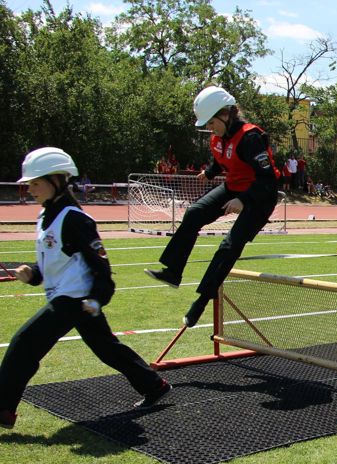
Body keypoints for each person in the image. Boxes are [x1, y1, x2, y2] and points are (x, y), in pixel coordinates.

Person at [0, 148, 171, 429]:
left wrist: (97, 299)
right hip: (72, 299)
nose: (30, 189)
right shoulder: (45, 216)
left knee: (23, 345)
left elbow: (101, 265)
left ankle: (3, 410)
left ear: (57, 180)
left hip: (73, 299)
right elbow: (55, 260)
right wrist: (33, 273)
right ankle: (155, 385)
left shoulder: (75, 218)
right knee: (107, 348)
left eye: (35, 183)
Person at [144, 86, 281, 327]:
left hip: (260, 195)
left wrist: (244, 200)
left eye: (211, 122)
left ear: (226, 114)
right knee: (194, 212)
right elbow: (222, 159)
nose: (209, 128)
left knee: (229, 246)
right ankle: (173, 271)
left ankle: (201, 302)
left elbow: (269, 179)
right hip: (233, 187)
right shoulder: (218, 137)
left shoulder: (250, 138)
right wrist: (209, 172)